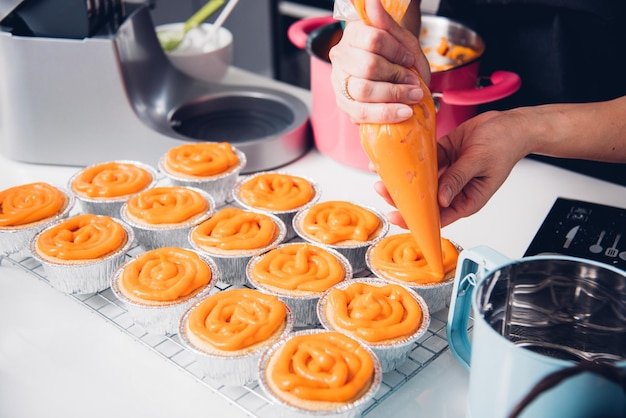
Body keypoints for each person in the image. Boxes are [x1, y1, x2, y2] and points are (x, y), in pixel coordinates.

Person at [329, 0, 626, 228]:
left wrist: (524, 129)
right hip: (468, 133)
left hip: (604, 145)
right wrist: (371, 40)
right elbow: (390, 11)